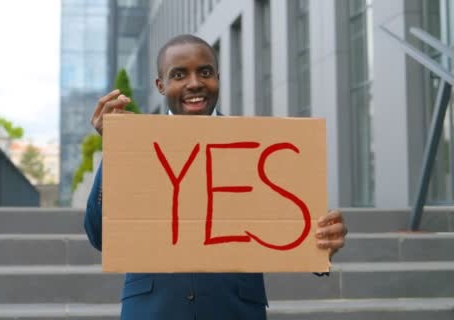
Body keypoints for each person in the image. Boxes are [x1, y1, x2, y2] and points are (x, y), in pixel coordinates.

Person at [85, 34, 347, 320]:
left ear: (218, 79)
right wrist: (115, 150)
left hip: (234, 309)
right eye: (179, 74)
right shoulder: (133, 145)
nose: (195, 83)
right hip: (154, 309)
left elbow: (291, 232)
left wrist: (322, 242)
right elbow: (101, 236)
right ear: (160, 85)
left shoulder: (257, 146)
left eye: (205, 72)